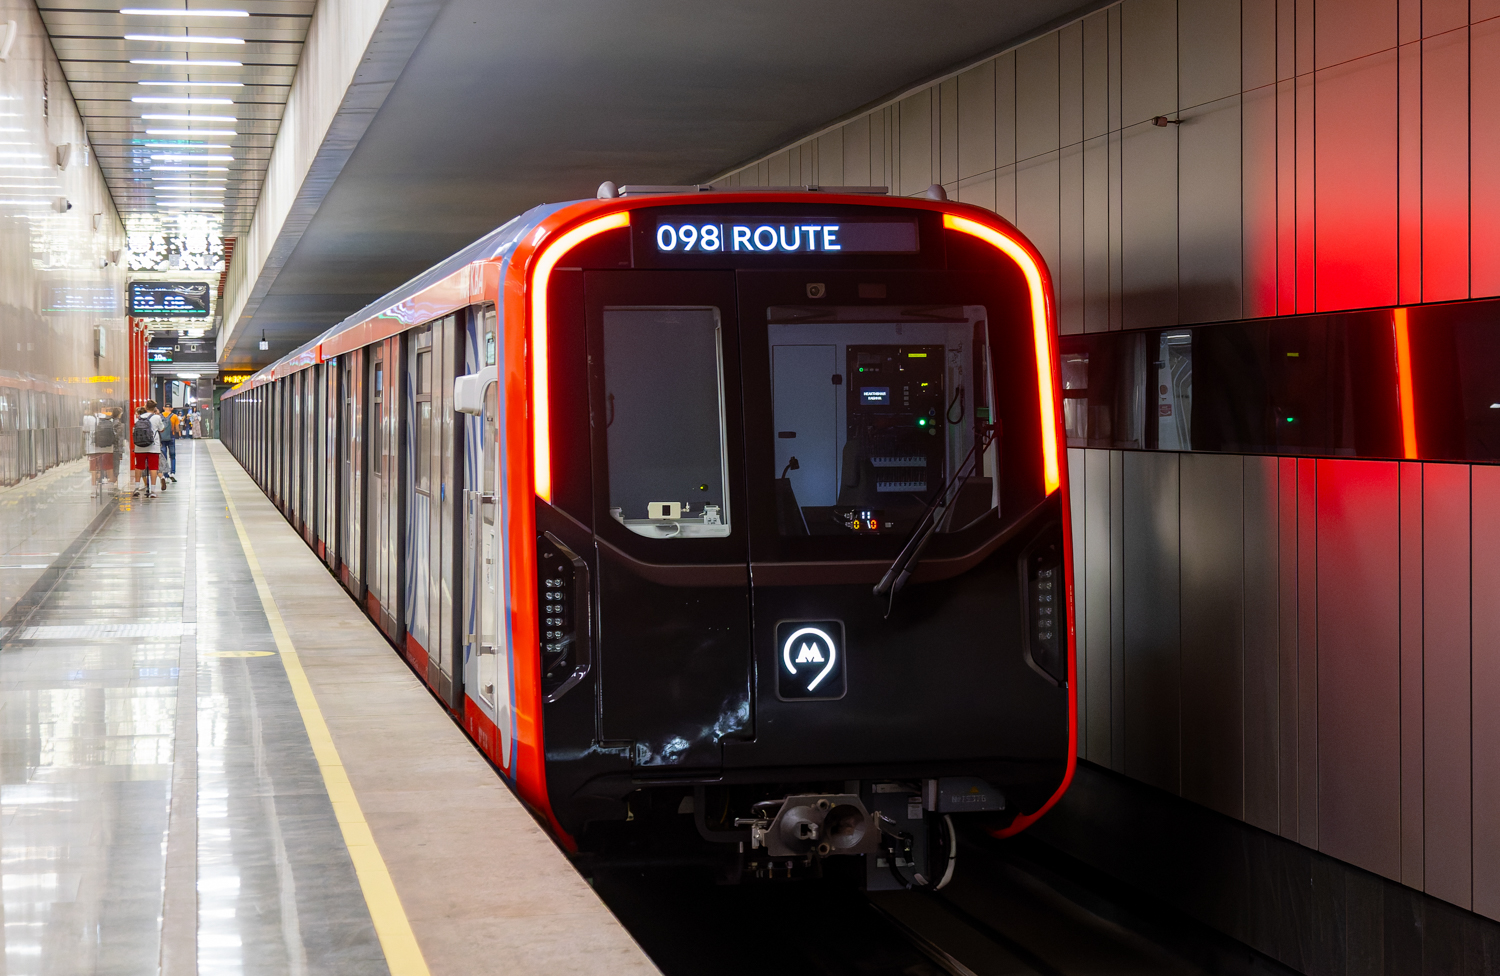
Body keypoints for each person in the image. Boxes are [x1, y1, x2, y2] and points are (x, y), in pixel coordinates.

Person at [131, 402, 165, 498]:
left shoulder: (138, 417)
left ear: (145, 407)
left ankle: (136, 488)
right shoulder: (156, 417)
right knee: (153, 468)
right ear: (155, 408)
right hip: (153, 447)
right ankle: (153, 490)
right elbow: (162, 429)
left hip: (139, 446)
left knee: (139, 466)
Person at [82, 407, 117, 495]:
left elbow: (84, 430)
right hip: (108, 448)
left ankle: (94, 490)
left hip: (93, 447)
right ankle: (111, 488)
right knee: (109, 467)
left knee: (94, 468)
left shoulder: (87, 418)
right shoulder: (109, 418)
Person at [158, 406, 178, 483]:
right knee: (172, 456)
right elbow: (176, 428)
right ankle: (172, 473)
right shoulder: (174, 416)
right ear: (171, 408)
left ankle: (165, 475)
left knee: (164, 457)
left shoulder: (159, 416)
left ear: (163, 407)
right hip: (171, 437)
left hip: (162, 439)